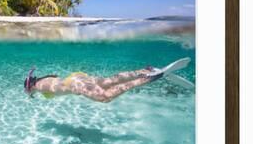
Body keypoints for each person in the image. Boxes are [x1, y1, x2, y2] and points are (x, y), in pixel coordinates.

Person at [24, 58, 191, 103]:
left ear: (31, 85)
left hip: (75, 84)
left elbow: (46, 87)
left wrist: (31, 89)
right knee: (109, 81)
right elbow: (49, 84)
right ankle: (146, 70)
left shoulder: (40, 85)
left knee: (105, 97)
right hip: (77, 77)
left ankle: (151, 77)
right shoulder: (43, 81)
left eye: (27, 89)